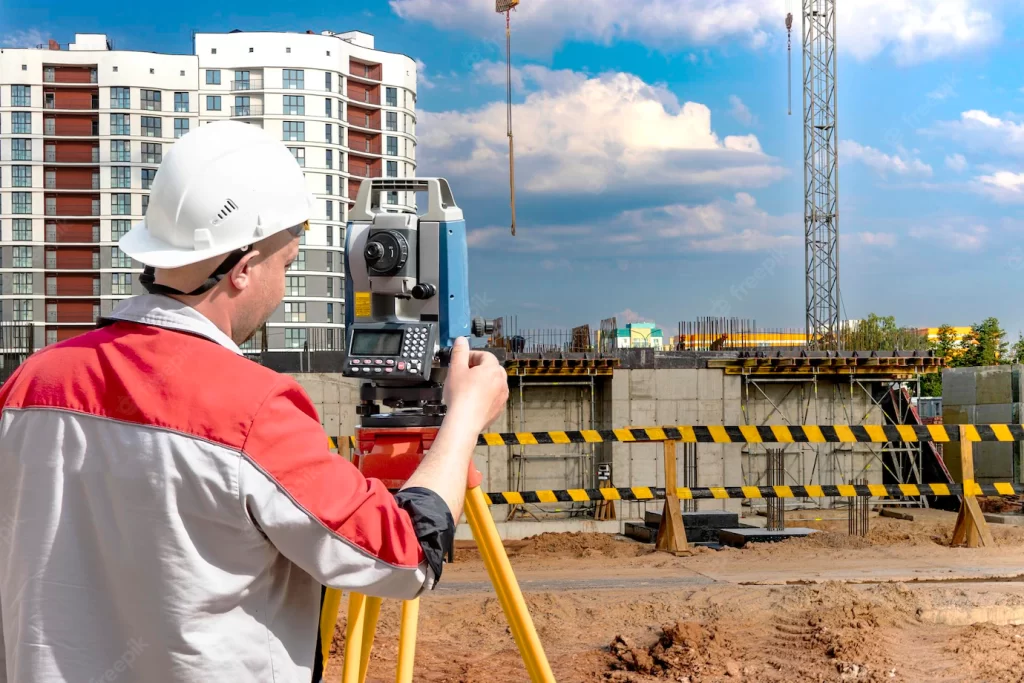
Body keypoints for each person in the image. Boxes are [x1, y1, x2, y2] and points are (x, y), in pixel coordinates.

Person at [0, 120, 508, 683]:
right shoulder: (251, 409)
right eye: (286, 266)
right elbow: (404, 554)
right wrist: (464, 416)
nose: (284, 287)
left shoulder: (28, 386)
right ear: (242, 270)